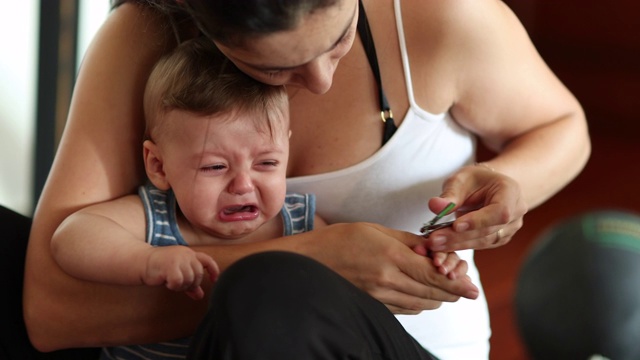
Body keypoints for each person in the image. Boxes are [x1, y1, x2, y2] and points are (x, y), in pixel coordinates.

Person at [20, 0, 590, 359]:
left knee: (276, 291)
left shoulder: (442, 14)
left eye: (339, 36)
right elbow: (53, 313)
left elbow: (564, 126)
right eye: (273, 68)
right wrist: (314, 259)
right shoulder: (146, 35)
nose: (319, 82)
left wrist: (507, 181)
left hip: (404, 347)